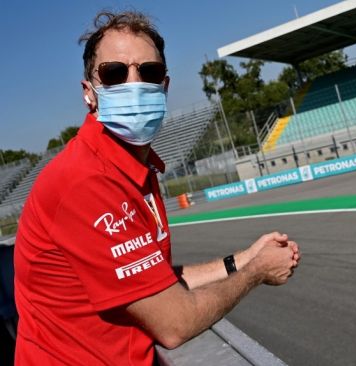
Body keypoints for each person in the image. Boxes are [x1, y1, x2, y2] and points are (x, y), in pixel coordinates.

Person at [13, 10, 300, 365]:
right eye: (115, 74)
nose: (133, 84)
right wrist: (257, 272)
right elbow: (174, 323)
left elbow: (154, 281)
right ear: (90, 93)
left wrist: (242, 260)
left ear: (163, 86)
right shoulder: (84, 181)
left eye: (147, 72)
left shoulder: (134, 167)